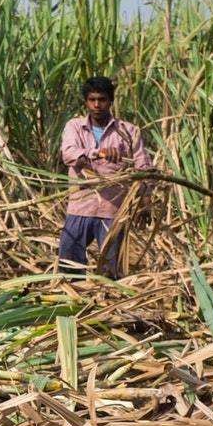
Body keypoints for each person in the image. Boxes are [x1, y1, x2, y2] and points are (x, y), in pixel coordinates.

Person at [58, 76, 153, 277]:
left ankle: (110, 304)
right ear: (86, 101)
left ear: (110, 101)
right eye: (92, 100)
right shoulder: (74, 127)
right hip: (81, 205)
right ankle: (70, 302)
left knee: (112, 266)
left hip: (113, 209)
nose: (96, 105)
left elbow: (143, 167)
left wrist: (146, 201)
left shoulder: (129, 131)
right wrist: (97, 154)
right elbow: (69, 153)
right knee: (69, 262)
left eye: (102, 100)